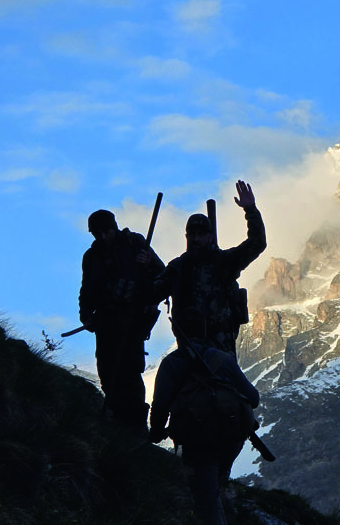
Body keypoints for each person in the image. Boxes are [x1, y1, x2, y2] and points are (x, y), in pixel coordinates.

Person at [149, 307, 260, 524]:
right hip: (231, 437)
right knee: (214, 486)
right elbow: (253, 398)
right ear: (205, 330)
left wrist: (155, 432)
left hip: (198, 438)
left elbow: (160, 404)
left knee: (205, 496)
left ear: (176, 332)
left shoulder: (173, 362)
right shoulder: (223, 359)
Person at [152, 180, 266, 357]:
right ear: (186, 236)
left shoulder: (223, 261)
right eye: (192, 234)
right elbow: (151, 294)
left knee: (224, 383)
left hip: (220, 346)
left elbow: (257, 243)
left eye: (201, 234)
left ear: (210, 236)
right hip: (188, 346)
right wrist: (143, 264)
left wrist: (250, 210)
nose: (196, 239)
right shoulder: (178, 267)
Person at [78, 209, 164, 432]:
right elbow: (86, 290)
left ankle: (135, 425)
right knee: (107, 370)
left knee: (130, 371)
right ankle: (117, 418)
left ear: (114, 227)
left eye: (106, 231)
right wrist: (86, 315)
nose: (102, 237)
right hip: (106, 322)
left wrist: (146, 264)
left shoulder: (135, 243)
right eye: (97, 233)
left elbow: (162, 275)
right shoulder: (92, 257)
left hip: (132, 320)